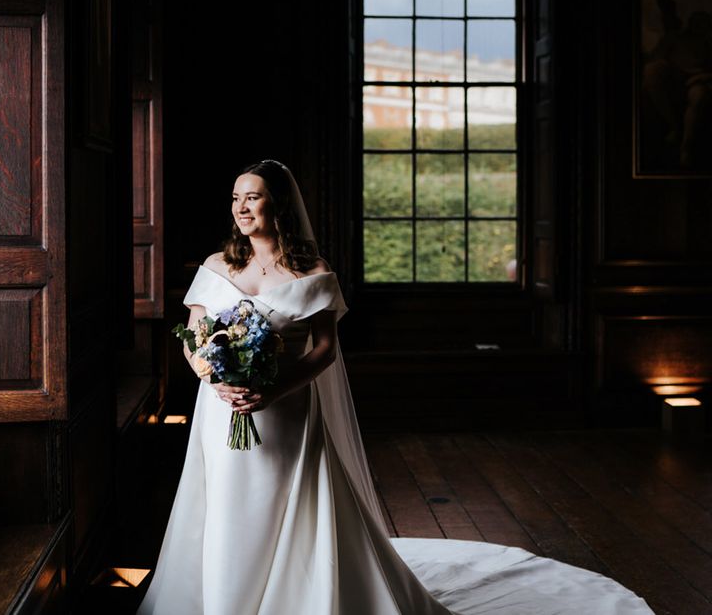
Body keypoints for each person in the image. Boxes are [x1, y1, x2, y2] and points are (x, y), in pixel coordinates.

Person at [136, 159, 653, 614]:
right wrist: (215, 375)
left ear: (280, 206)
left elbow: (323, 350)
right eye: (235, 197)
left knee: (282, 504)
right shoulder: (215, 265)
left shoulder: (311, 272)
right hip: (222, 407)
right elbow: (193, 337)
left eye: (253, 197)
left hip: (286, 407)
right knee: (225, 501)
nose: (240, 208)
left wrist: (271, 391)